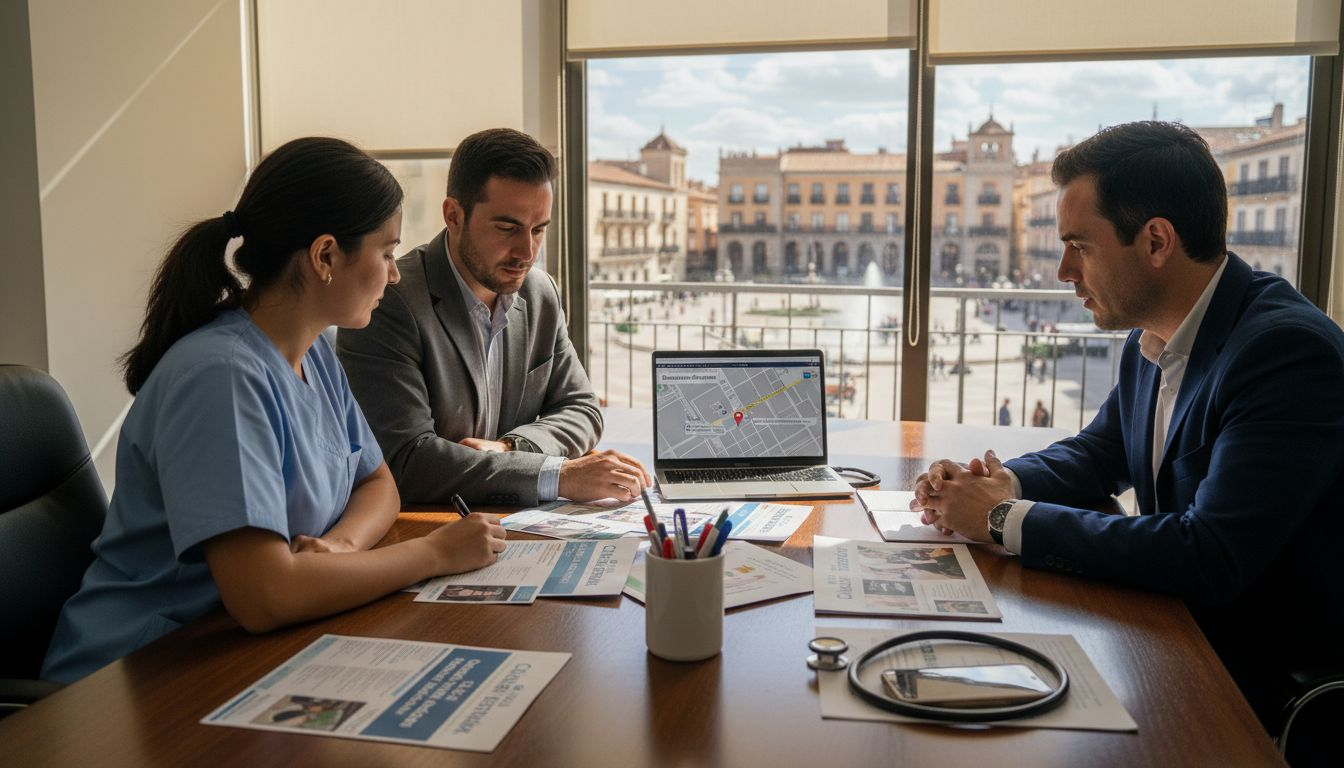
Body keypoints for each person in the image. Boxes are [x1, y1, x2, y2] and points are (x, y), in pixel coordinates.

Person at [911, 121, 1344, 729]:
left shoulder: (1286, 354)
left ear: (1157, 241)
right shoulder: (1153, 334)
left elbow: (1212, 555)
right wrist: (999, 484)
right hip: (1169, 634)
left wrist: (1002, 519)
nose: (1063, 271)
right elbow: (1099, 451)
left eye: (1080, 247)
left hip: (1255, 687)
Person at [42, 138, 507, 685]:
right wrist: (433, 553)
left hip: (238, 652)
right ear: (325, 256)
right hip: (133, 680)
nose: (396, 273)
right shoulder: (221, 377)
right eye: (386, 252)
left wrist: (338, 548)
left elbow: (379, 484)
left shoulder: (313, 354)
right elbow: (264, 595)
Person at [338, 128, 649, 507]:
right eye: (507, 228)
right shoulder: (390, 301)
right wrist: (557, 475)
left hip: (511, 522)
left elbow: (582, 408)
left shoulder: (540, 293)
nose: (526, 251)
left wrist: (511, 447)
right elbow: (406, 460)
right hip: (434, 525)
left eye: (539, 230)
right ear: (454, 215)